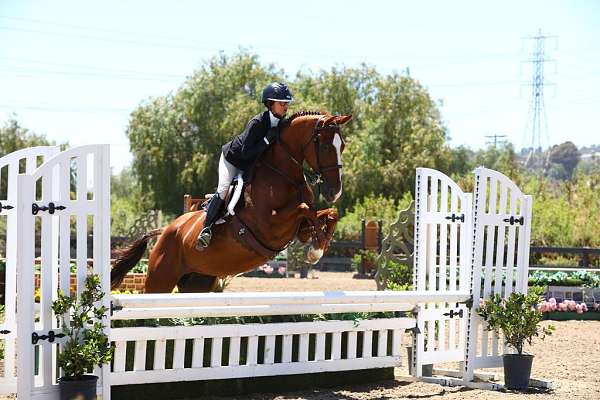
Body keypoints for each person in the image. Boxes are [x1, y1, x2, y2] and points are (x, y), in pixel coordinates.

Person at [196, 82, 294, 250]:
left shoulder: (283, 124)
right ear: (270, 104)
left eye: (287, 103)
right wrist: (265, 140)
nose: (285, 107)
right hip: (233, 160)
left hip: (252, 164)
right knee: (224, 188)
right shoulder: (257, 122)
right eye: (281, 103)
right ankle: (206, 229)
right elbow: (246, 152)